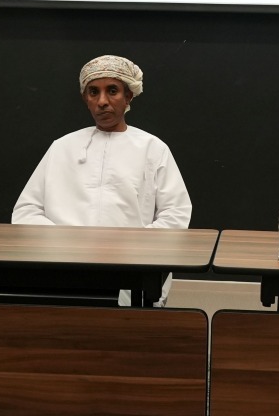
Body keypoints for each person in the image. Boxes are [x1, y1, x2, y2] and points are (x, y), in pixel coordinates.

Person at [12, 55, 192, 304]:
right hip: (62, 272)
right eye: (94, 92)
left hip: (132, 273)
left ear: (128, 96)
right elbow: (25, 212)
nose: (102, 101)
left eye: (113, 91)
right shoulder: (62, 147)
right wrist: (69, 243)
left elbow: (176, 215)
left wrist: (127, 246)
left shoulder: (152, 149)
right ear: (85, 99)